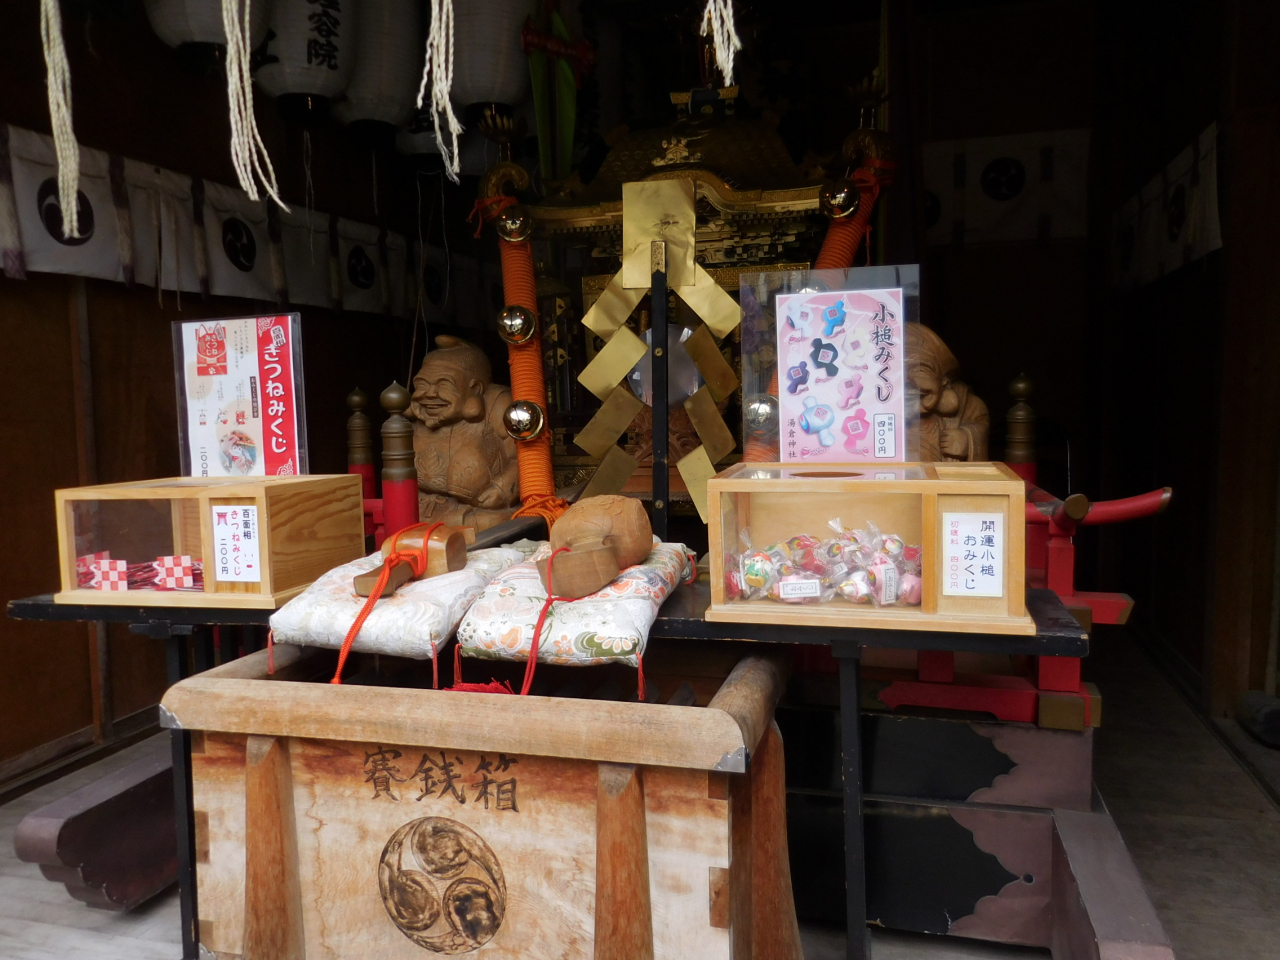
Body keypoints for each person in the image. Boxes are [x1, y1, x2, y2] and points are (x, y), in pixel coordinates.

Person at [407, 336, 520, 531]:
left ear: (475, 388)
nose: (430, 394)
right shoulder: (416, 420)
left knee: (490, 523)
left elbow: (525, 456)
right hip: (420, 508)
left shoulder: (497, 405)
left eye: (444, 384)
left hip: (476, 513)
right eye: (423, 384)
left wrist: (502, 488)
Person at [905, 324, 989, 461]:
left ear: (943, 379)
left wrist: (968, 439)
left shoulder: (969, 406)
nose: (907, 382)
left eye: (920, 371)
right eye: (896, 374)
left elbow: (981, 427)